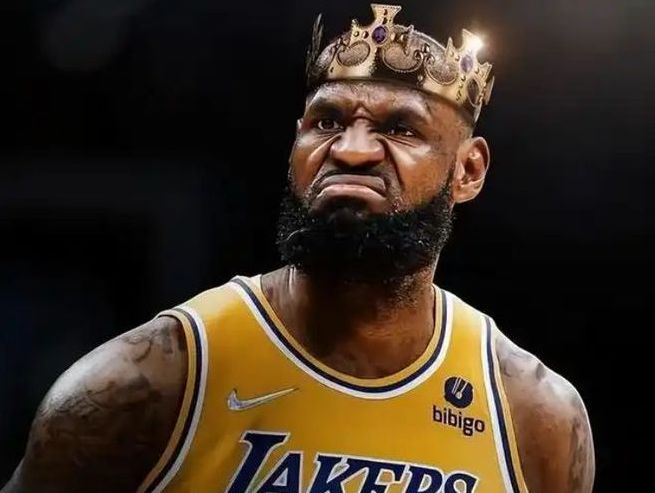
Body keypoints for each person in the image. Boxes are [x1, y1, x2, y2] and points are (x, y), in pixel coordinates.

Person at [2, 4, 594, 493]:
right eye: (327, 123)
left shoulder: (533, 415)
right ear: (296, 143)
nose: (352, 151)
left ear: (468, 170)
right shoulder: (147, 382)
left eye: (400, 129)